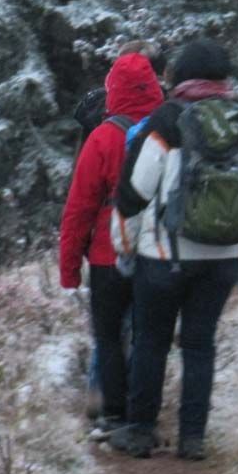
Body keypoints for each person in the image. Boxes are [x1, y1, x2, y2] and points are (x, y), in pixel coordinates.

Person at [108, 39, 238, 460]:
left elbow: (135, 192)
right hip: (223, 259)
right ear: (224, 78)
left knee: (151, 342)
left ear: (180, 75)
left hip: (164, 257)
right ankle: (192, 437)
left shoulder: (166, 120)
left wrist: (125, 248)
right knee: (200, 345)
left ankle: (140, 431)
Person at [59, 52, 165, 433]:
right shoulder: (169, 132)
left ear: (113, 90)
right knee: (149, 338)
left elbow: (79, 209)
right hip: (157, 252)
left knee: (107, 338)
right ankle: (142, 417)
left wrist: (69, 269)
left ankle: (112, 414)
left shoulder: (103, 138)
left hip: (108, 254)